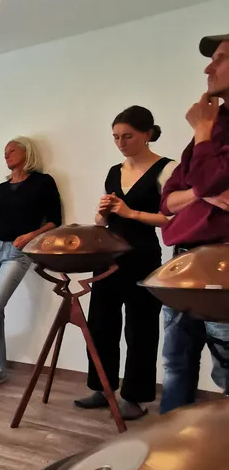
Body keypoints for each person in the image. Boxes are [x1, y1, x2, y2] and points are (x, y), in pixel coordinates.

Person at [74, 107, 174, 419]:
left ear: (147, 134)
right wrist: (103, 212)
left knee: (140, 327)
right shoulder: (113, 171)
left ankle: (136, 396)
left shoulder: (166, 169)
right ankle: (101, 388)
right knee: (101, 324)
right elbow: (100, 221)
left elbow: (172, 218)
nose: (121, 142)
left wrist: (130, 213)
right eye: (116, 137)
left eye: (128, 136)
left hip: (143, 256)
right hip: (108, 256)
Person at [158, 33, 229, 413]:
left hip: (224, 267)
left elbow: (201, 182)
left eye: (219, 58)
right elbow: (168, 200)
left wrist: (201, 131)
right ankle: (172, 455)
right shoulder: (214, 128)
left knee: (227, 374)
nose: (208, 68)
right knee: (175, 364)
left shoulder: (207, 128)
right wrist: (205, 192)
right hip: (183, 265)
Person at [0, 138, 62, 389]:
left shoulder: (43, 182)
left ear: (26, 152)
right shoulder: (0, 188)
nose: (6, 155)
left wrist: (30, 236)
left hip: (17, 252)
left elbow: (54, 220)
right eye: (4, 152)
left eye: (11, 150)